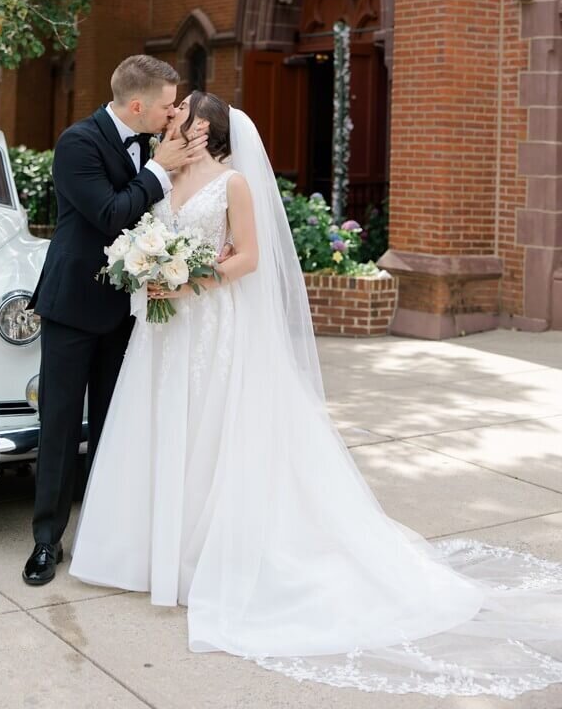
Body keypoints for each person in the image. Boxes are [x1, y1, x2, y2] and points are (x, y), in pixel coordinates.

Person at [69, 92, 562, 698]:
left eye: (184, 112)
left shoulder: (233, 186)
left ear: (206, 130)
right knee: (163, 428)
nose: (172, 117)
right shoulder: (160, 176)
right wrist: (149, 270)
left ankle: (203, 560)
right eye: (172, 112)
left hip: (211, 327)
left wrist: (186, 277)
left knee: (212, 436)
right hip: (164, 335)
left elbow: (247, 258)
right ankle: (154, 555)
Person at [22, 55, 211, 586]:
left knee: (115, 425)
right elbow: (108, 212)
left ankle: (105, 538)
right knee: (59, 425)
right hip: (73, 307)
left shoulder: (158, 146)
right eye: (167, 105)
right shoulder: (77, 143)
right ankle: (45, 542)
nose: (171, 113)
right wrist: (158, 170)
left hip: (129, 312)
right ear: (137, 105)